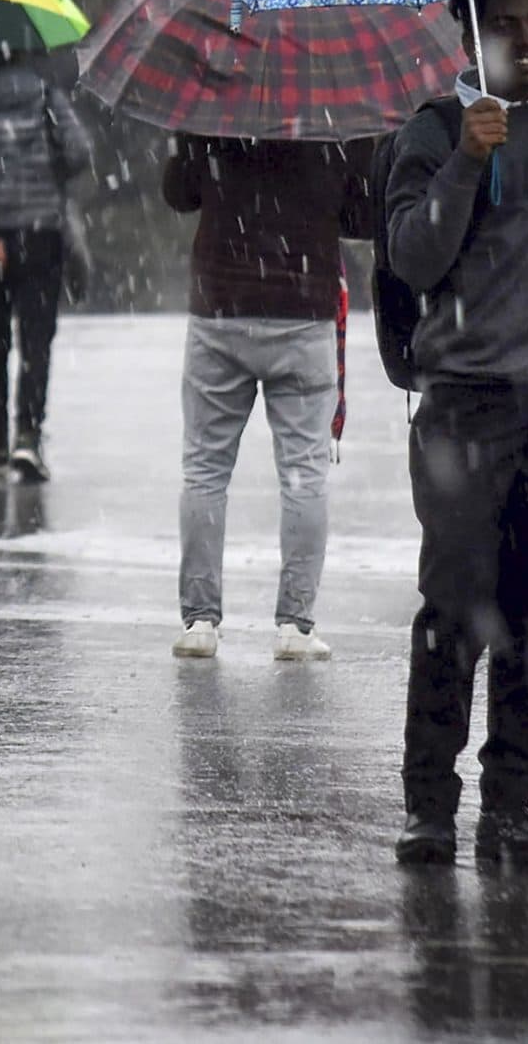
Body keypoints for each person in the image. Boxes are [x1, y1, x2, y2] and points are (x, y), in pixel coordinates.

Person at [379, 0, 528, 868]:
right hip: (465, 414)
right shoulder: (434, 131)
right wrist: (468, 160)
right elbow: (413, 258)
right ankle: (429, 803)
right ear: (468, 35)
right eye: (507, 23)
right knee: (454, 611)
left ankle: (511, 804)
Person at [163, 135, 371, 663]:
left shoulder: (214, 102)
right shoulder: (336, 106)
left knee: (206, 469)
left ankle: (200, 620)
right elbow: (365, 212)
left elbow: (178, 192)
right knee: (303, 475)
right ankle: (295, 628)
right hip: (304, 308)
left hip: (220, 305)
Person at [0, 53, 94, 480]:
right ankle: (28, 437)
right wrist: (46, 161)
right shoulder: (46, 95)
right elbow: (79, 152)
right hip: (41, 235)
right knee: (36, 343)